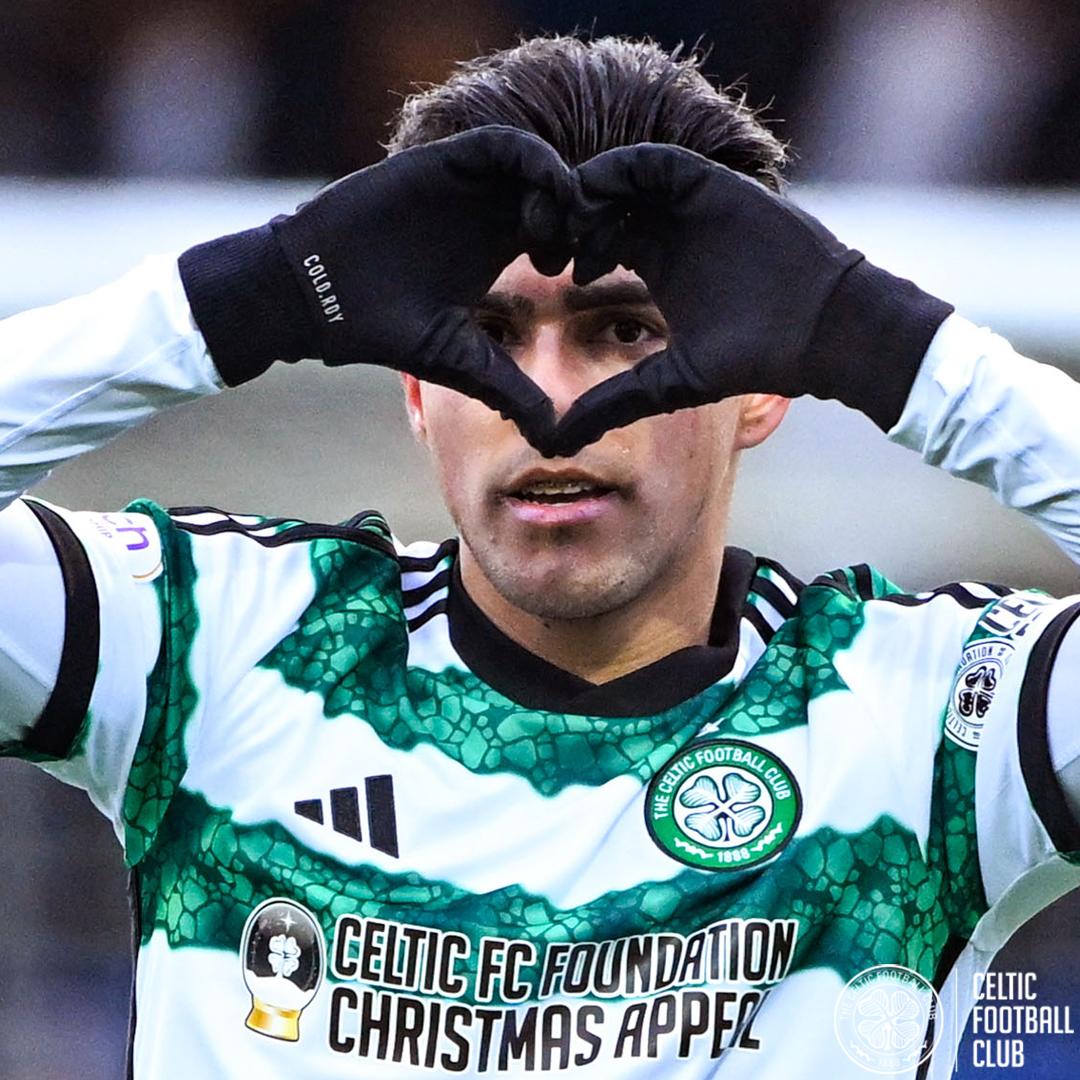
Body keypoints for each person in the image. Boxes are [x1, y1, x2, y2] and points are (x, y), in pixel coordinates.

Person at [2, 33, 1079, 1079]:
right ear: (418, 392)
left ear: (761, 381)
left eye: (623, 332)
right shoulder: (211, 640)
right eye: (489, 335)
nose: (554, 409)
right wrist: (253, 294)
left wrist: (887, 344)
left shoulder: (933, 718)